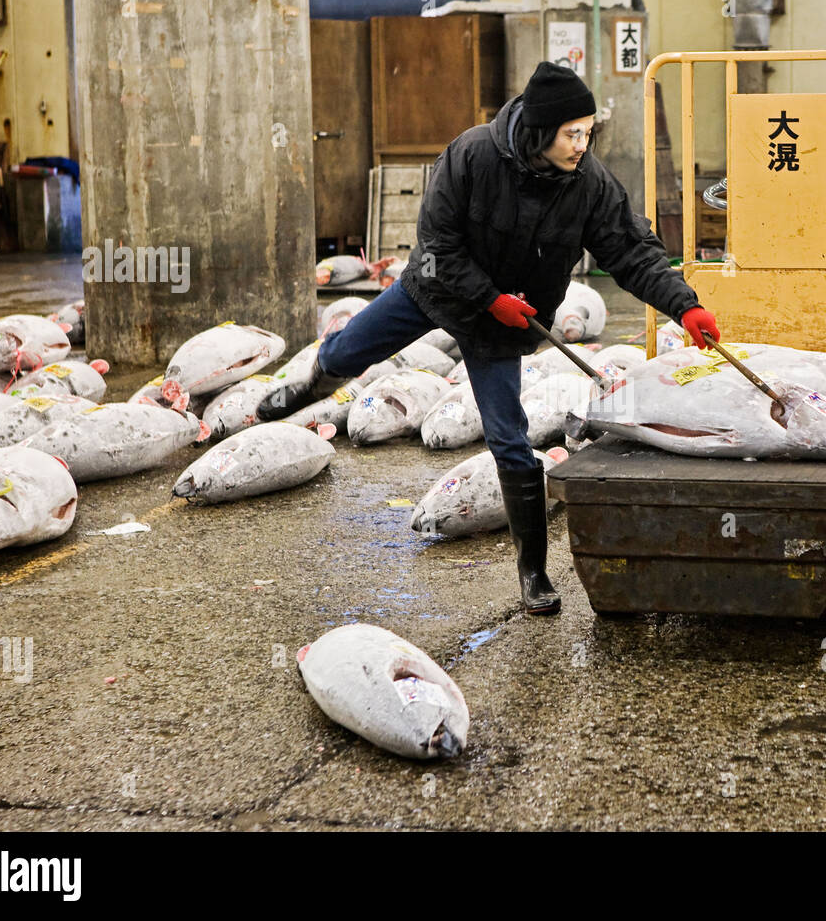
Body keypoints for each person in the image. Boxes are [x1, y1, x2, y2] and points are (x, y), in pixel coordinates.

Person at [264, 61, 720, 616]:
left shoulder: (589, 184)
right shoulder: (472, 154)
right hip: (434, 290)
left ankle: (533, 572)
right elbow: (436, 244)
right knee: (342, 350)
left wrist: (684, 305)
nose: (582, 144)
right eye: (571, 133)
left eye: (588, 131)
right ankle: (303, 386)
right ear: (539, 131)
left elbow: (630, 250)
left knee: (511, 441)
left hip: (506, 324)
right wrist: (489, 296)